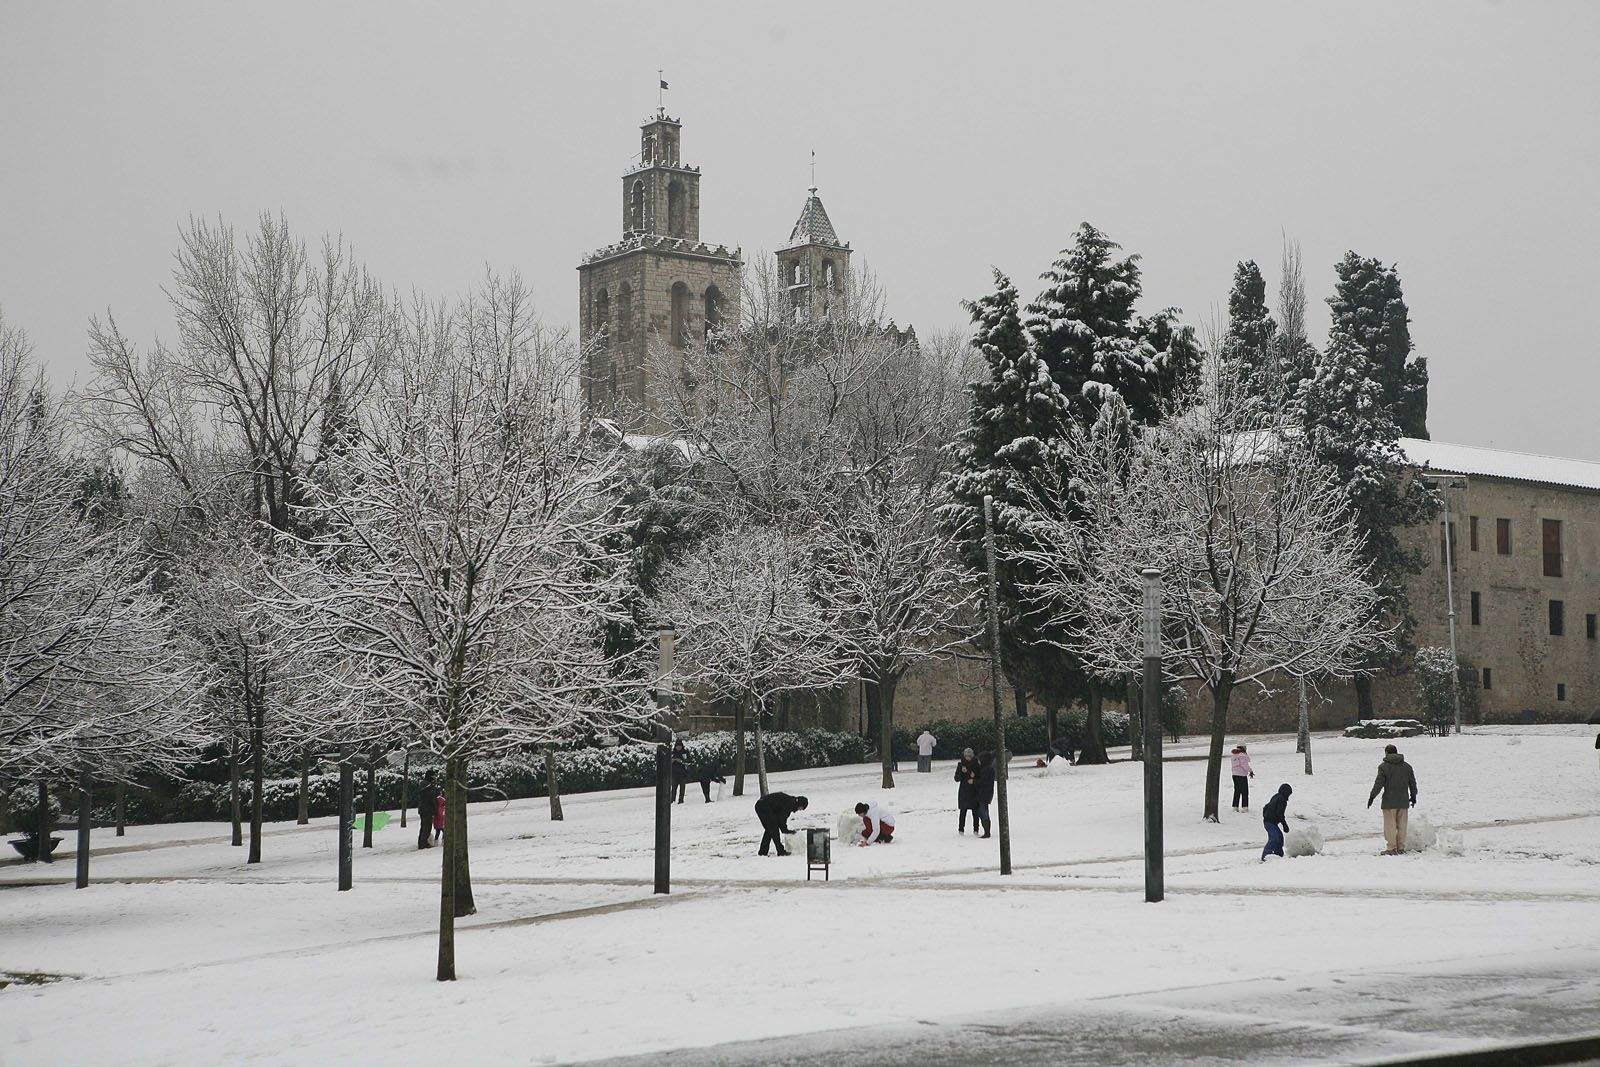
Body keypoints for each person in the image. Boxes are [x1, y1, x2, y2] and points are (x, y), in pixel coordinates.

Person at [1367, 744, 1419, 855]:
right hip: (1403, 801)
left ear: (1386, 753)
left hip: (1389, 801)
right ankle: (1401, 847)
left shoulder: (1383, 767)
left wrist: (1372, 796)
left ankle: (1391, 848)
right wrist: (1413, 796)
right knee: (1402, 825)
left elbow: (1378, 784)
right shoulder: (1407, 767)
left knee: (1390, 825)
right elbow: (1412, 783)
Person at [753, 792, 808, 856]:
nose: (800, 810)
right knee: (773, 829)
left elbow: (780, 818)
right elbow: (782, 819)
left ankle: (762, 852)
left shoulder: (790, 801)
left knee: (770, 829)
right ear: (800, 804)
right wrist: (785, 830)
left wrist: (784, 829)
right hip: (763, 806)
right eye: (801, 808)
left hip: (761, 805)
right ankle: (780, 851)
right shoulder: (789, 804)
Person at [1260, 783, 1292, 861]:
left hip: (1269, 821)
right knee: (1274, 838)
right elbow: (1280, 813)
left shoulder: (1276, 796)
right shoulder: (1282, 800)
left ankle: (1279, 855)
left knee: (1279, 837)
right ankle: (1265, 856)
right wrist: (1284, 825)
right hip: (1270, 822)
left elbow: (1267, 807)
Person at [954, 748, 980, 833]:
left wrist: (974, 777)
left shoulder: (976, 764)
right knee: (963, 811)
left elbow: (980, 778)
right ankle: (961, 829)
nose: (967, 758)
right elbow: (956, 778)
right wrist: (962, 773)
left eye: (969, 756)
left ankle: (976, 829)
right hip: (964, 791)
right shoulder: (961, 765)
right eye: (966, 756)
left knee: (975, 811)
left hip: (974, 790)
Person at [974, 751, 996, 839]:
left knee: (983, 811)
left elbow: (983, 782)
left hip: (984, 793)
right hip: (985, 793)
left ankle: (987, 832)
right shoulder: (986, 768)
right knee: (982, 811)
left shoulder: (987, 769)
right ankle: (986, 830)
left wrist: (974, 782)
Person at [1231, 745, 1254, 811]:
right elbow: (1245, 765)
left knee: (1237, 791)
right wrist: (1250, 771)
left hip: (1234, 775)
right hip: (1242, 775)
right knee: (1245, 791)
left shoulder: (1233, 755)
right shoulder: (1242, 756)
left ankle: (1235, 806)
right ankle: (1245, 807)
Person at [416, 776, 437, 850]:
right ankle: (423, 843)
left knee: (423, 826)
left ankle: (421, 842)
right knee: (427, 827)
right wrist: (435, 810)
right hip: (428, 810)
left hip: (423, 810)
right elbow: (432, 800)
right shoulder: (429, 788)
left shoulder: (422, 787)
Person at [671, 739, 689, 805]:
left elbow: (688, 762)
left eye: (680, 746)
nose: (678, 747)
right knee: (673, 788)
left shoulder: (685, 753)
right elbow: (668, 763)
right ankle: (672, 800)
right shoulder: (672, 753)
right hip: (674, 773)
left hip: (682, 773)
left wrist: (681, 761)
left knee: (682, 788)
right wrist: (672, 761)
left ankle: (681, 800)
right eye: (677, 746)